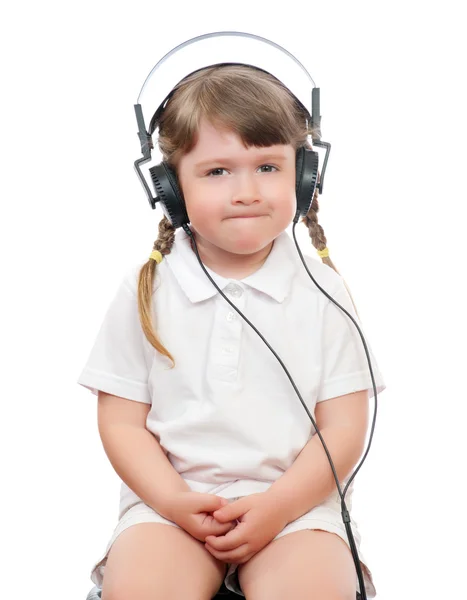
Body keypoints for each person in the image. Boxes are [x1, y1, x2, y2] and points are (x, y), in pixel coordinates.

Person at [78, 63, 386, 599]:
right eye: (217, 172)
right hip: (170, 505)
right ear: (170, 188)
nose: (246, 191)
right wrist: (174, 501)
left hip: (295, 507)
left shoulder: (323, 291)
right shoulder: (147, 287)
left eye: (268, 166)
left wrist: (277, 508)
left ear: (306, 175)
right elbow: (123, 424)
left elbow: (342, 429)